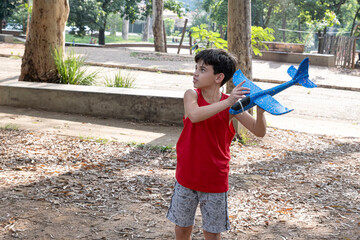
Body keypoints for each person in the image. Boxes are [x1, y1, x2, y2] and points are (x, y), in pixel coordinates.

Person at [166, 48, 267, 240]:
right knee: (183, 226)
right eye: (196, 67)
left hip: (215, 179)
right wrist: (229, 101)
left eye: (202, 69)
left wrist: (261, 113)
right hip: (187, 176)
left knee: (212, 232)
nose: (195, 73)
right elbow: (194, 116)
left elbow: (258, 131)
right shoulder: (192, 95)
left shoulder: (231, 106)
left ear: (219, 77)